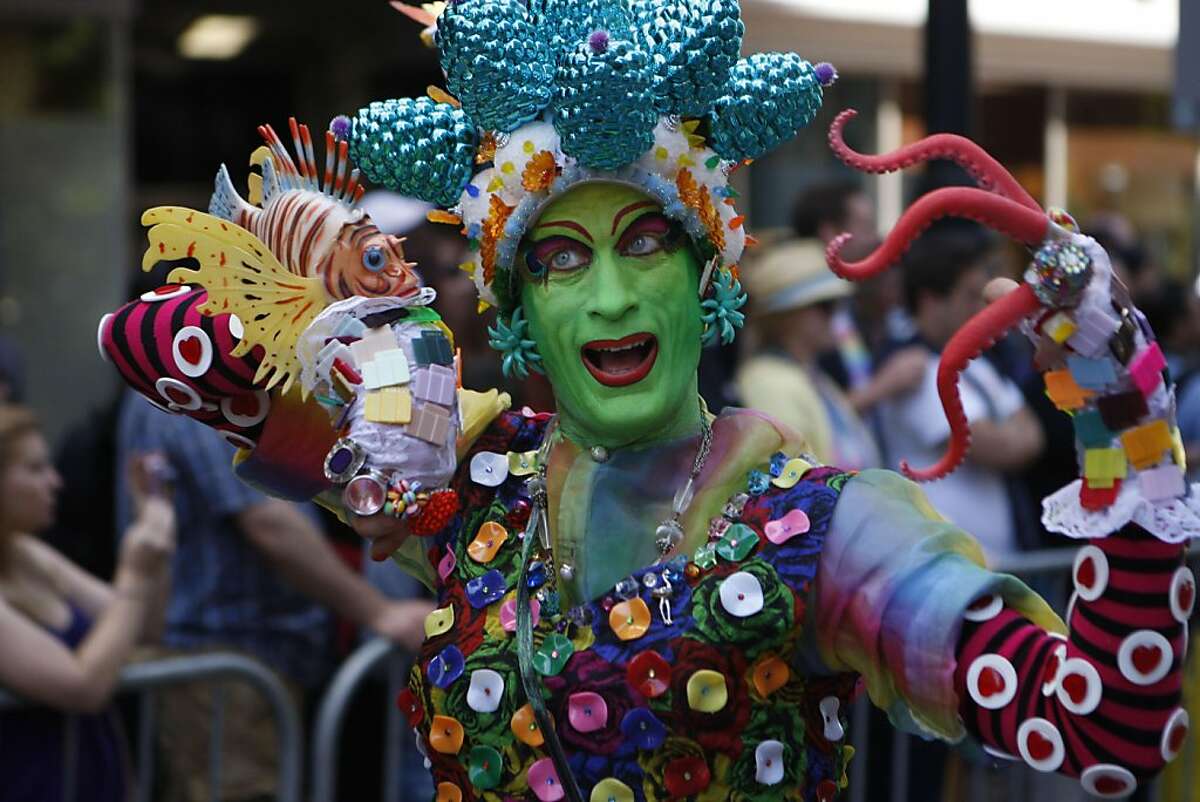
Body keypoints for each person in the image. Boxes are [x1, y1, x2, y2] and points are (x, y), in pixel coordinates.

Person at [101, 4, 1195, 800]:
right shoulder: (474, 479)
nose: (612, 297)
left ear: (709, 279)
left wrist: (1121, 403)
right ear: (517, 307)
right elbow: (147, 346)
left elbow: (1102, 724)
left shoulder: (823, 530)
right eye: (563, 258)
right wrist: (356, 316)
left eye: (647, 245)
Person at [0, 405, 175, 802]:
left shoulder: (27, 554)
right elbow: (82, 686)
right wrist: (135, 574)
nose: (55, 480)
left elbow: (144, 627)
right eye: (34, 469)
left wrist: (151, 529)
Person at [736, 238, 919, 469]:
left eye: (838, 305)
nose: (836, 316)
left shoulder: (807, 374)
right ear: (787, 317)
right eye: (825, 306)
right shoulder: (769, 382)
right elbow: (793, 481)